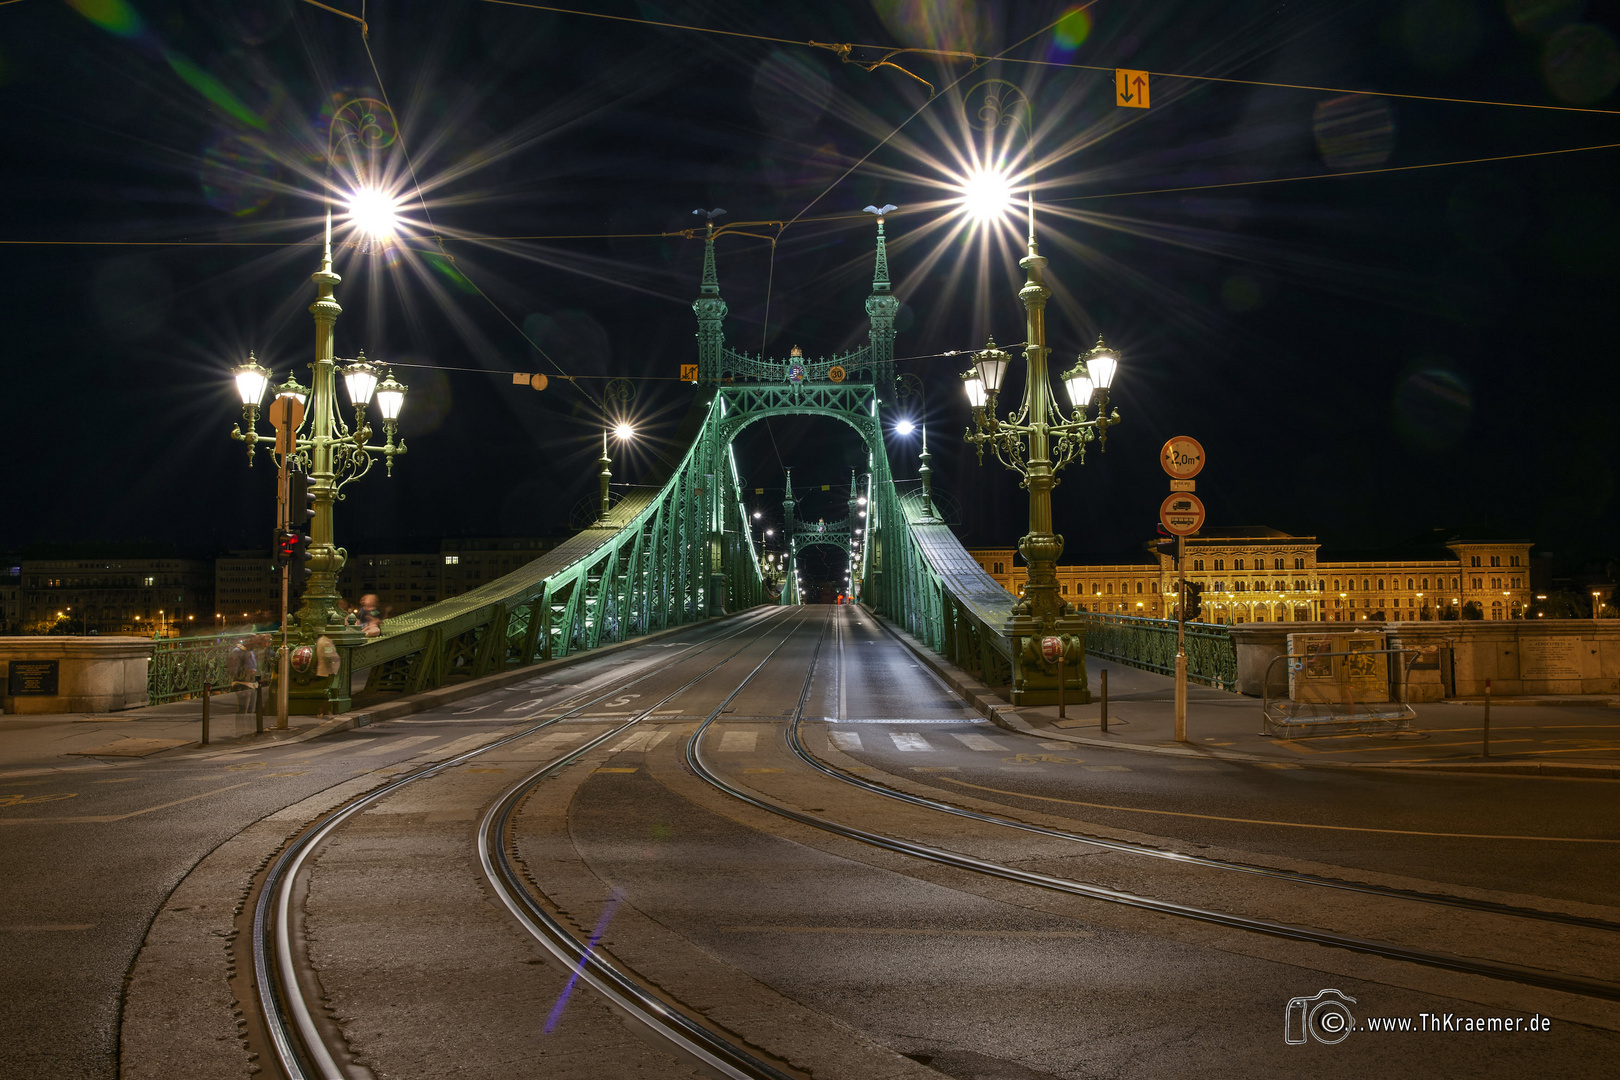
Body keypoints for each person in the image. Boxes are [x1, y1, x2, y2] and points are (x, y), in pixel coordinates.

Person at [226, 636, 259, 714]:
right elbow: (233, 669)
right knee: (243, 709)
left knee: (251, 710)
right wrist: (246, 671)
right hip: (243, 683)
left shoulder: (250, 652)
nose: (255, 645)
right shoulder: (237, 651)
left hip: (252, 683)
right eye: (253, 642)